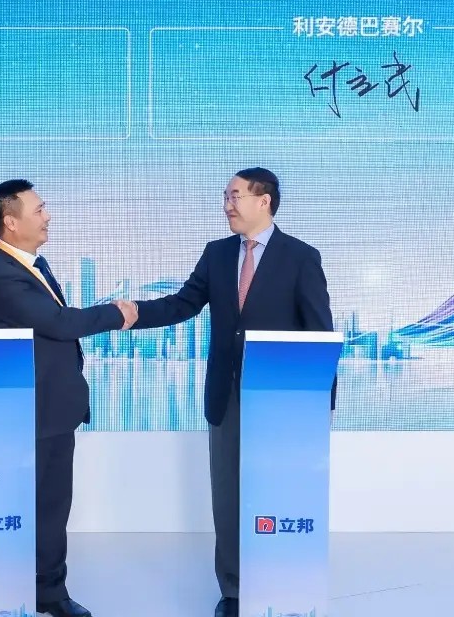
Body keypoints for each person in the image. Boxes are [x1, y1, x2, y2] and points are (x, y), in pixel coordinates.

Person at [114, 168, 334, 617]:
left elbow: (319, 333)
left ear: (264, 200)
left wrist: (321, 402)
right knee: (228, 494)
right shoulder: (216, 254)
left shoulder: (301, 257)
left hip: (281, 399)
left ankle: (282, 581)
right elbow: (183, 303)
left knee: (280, 490)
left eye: (235, 196)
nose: (227, 205)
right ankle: (233, 590)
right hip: (226, 393)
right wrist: (134, 313)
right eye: (225, 197)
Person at [0, 179, 138, 617]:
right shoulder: (2, 276)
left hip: (50, 408)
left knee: (51, 505)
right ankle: (43, 592)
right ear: (11, 222)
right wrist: (117, 314)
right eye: (38, 210)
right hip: (34, 410)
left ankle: (44, 588)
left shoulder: (32, 265)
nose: (47, 216)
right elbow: (59, 323)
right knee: (43, 506)